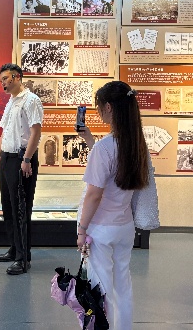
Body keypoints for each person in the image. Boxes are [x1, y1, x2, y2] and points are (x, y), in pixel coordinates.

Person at [76, 81, 151, 330]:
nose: (98, 112)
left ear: (108, 107)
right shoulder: (137, 144)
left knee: (101, 288)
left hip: (100, 229)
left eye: (99, 107)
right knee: (123, 285)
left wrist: (81, 230)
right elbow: (115, 168)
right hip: (124, 227)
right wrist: (90, 141)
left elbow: (94, 195)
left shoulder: (105, 147)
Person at [0, 63, 43, 275]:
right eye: (1, 80)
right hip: (7, 158)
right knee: (9, 206)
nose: (3, 83)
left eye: (5, 78)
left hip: (22, 158)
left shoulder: (31, 100)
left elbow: (35, 132)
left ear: (17, 77)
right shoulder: (11, 101)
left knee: (21, 209)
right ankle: (14, 249)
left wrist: (27, 159)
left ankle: (23, 259)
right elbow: (5, 132)